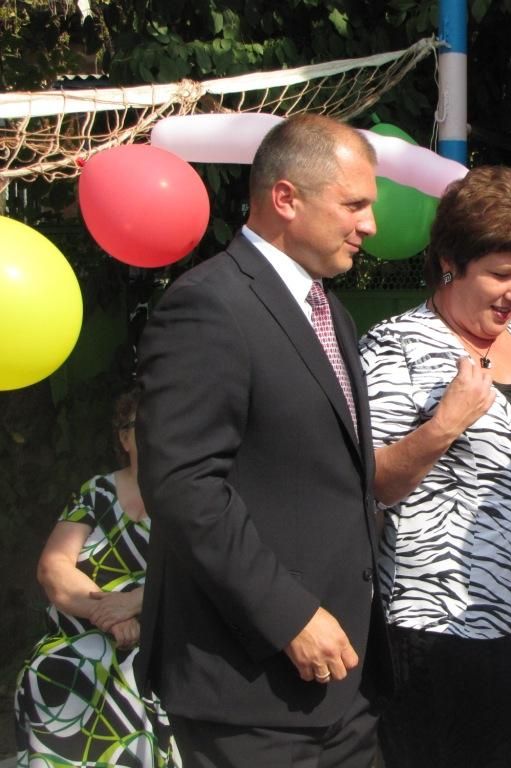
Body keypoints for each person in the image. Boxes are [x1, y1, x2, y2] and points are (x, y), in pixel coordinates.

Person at [135, 114, 389, 768]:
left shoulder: (330, 311)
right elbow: (184, 487)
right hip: (248, 685)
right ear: (285, 198)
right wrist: (290, 616)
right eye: (354, 205)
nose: (370, 225)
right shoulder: (208, 305)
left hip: (342, 683)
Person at [359, 165, 511, 768]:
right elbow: (373, 482)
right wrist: (443, 426)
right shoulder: (396, 345)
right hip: (435, 619)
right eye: (502, 274)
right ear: (451, 263)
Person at [14, 387, 179, 767]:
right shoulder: (95, 493)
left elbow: (200, 572)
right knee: (47, 670)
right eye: (140, 425)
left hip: (159, 634)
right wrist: (110, 615)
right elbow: (53, 567)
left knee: (129, 674)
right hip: (83, 633)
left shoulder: (189, 497)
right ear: (124, 438)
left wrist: (135, 602)